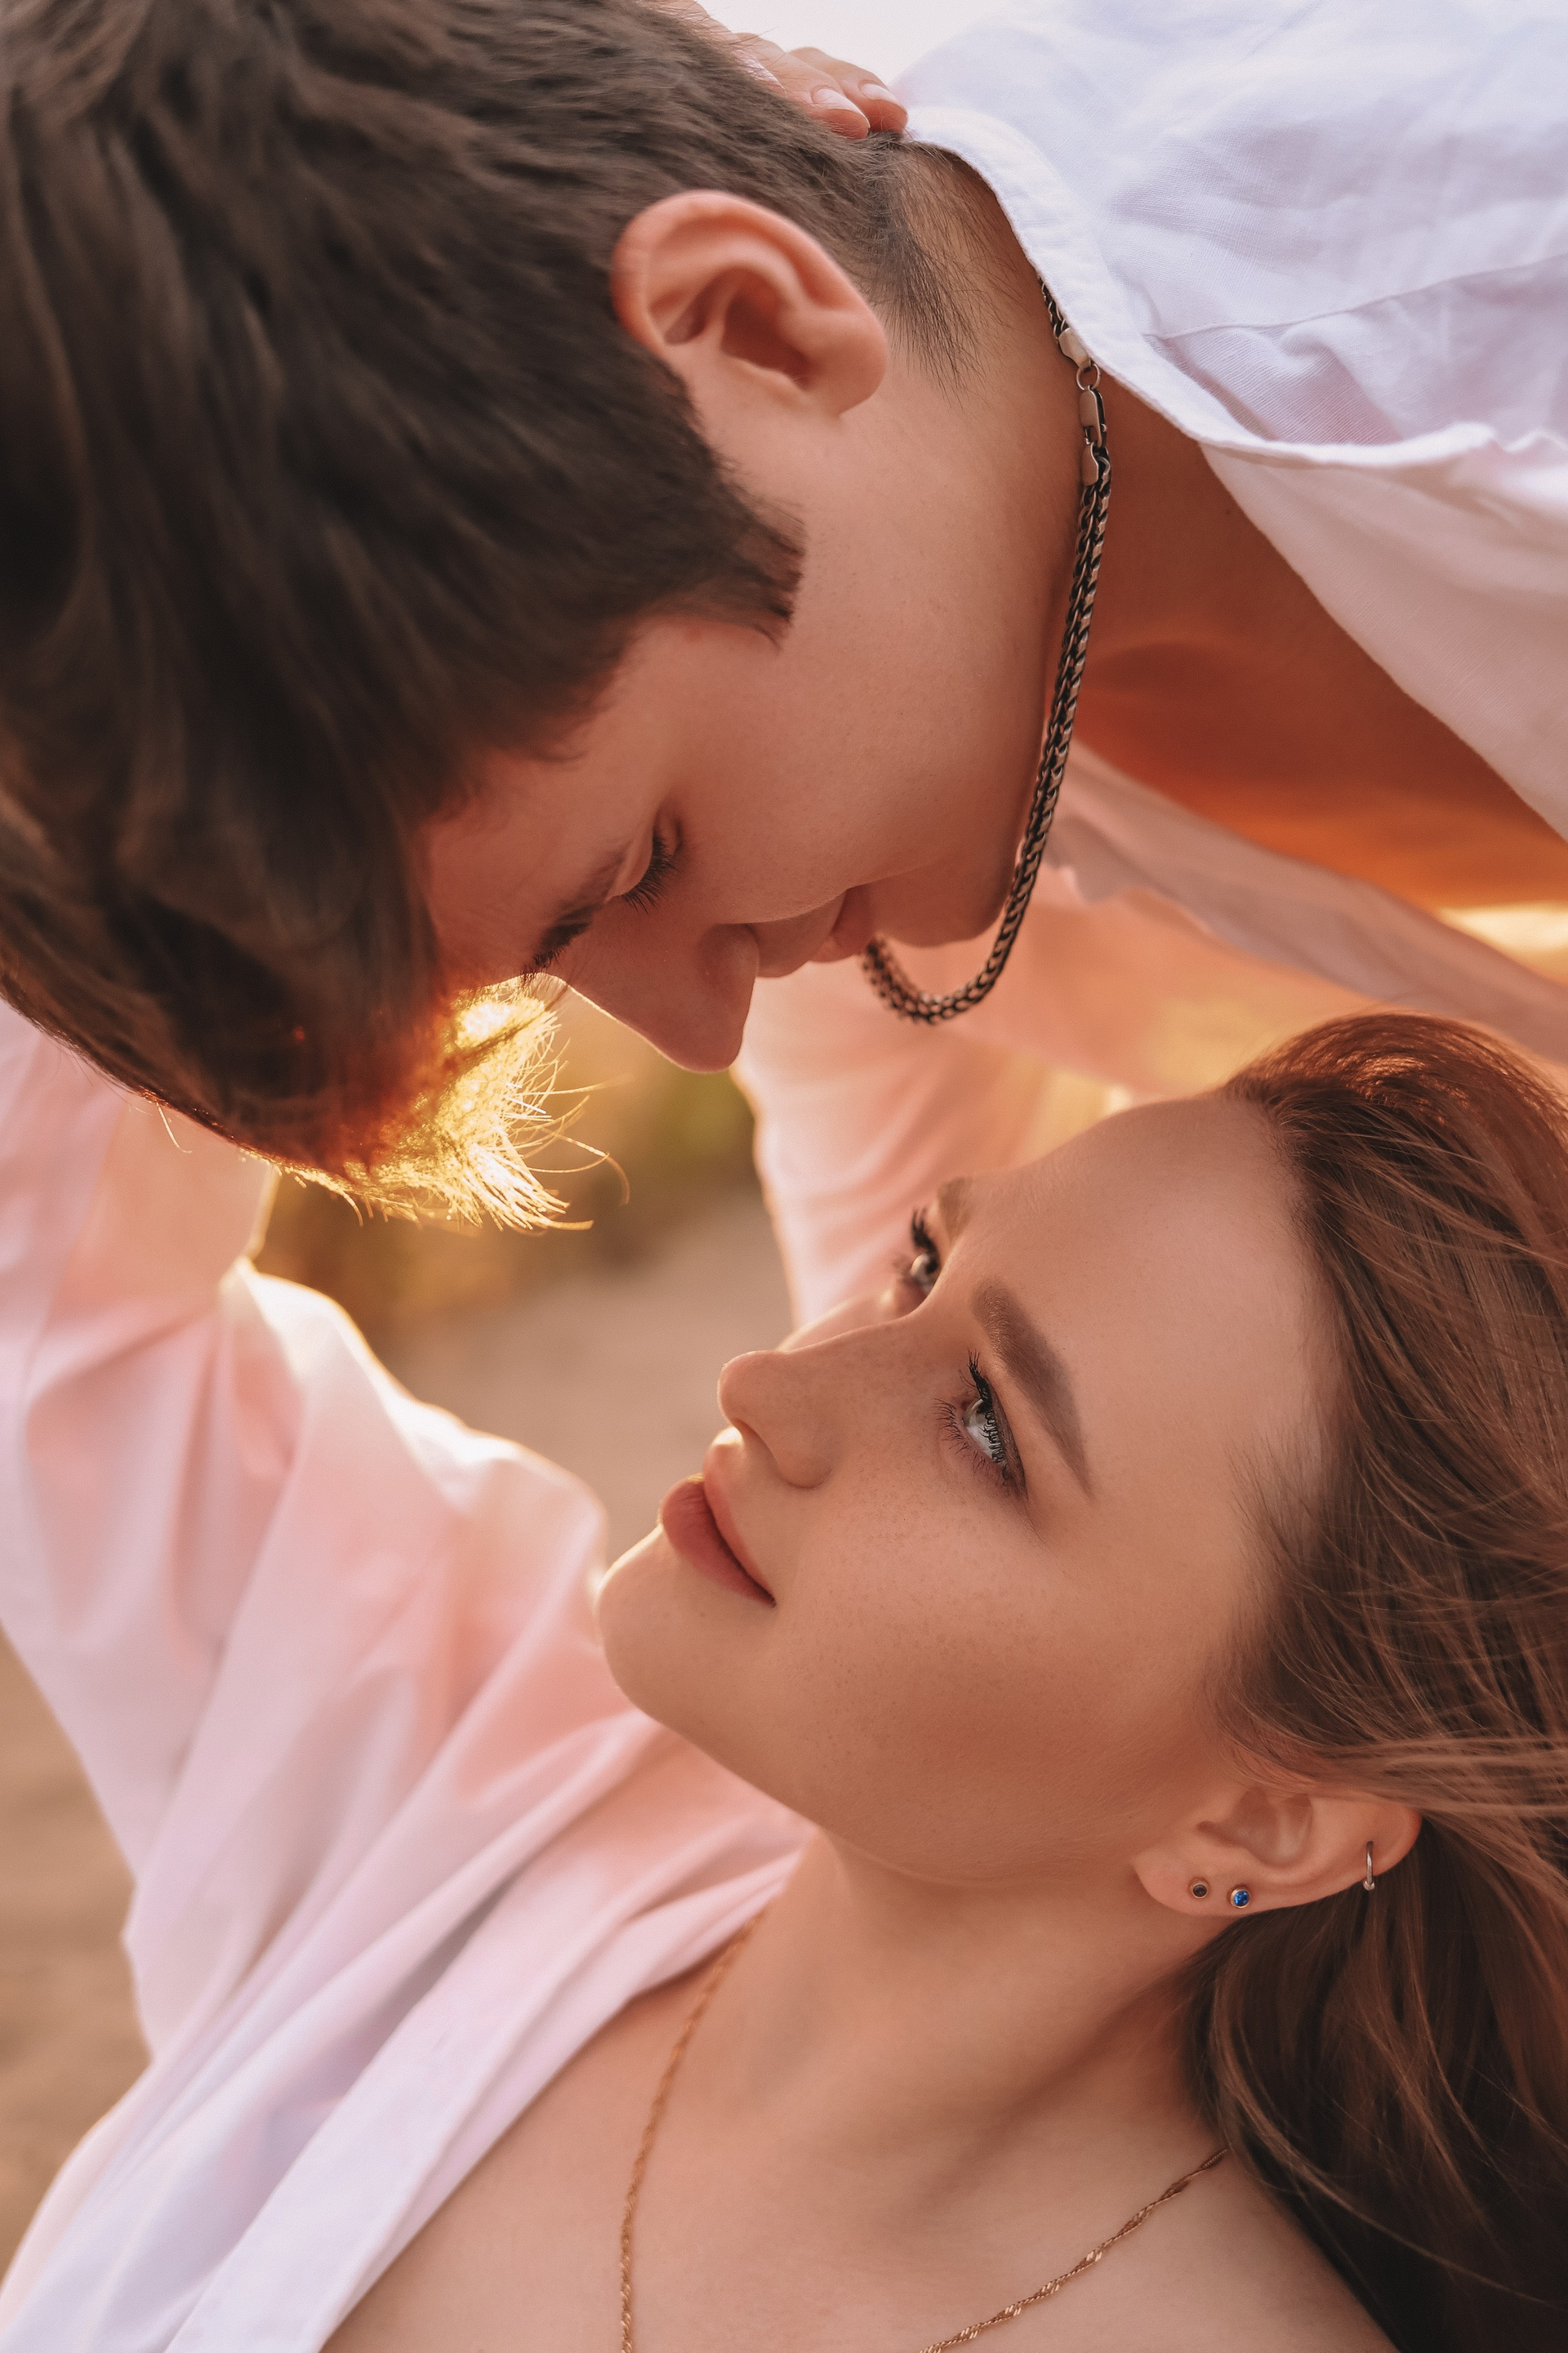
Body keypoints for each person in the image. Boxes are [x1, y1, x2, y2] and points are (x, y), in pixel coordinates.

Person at [1, 995, 1566, 2353]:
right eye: (919, 1261)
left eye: (988, 1425)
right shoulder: (475, 1800)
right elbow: (45, 1236)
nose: (774, 1380)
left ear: (1265, 1820)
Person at [0, 0, 1562, 1236]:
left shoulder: (1499, 264)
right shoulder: (899, 782)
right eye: (564, 961)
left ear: (753, 321)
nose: (703, 1027)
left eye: (640, 866)